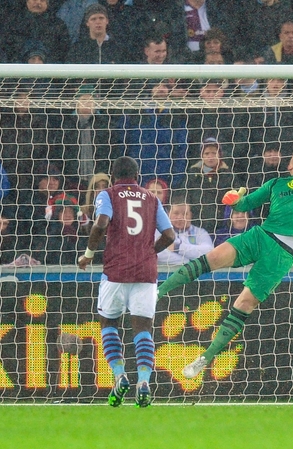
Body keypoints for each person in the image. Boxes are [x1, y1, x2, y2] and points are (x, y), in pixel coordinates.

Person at [156, 85, 293, 379]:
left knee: (244, 303)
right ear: (289, 164)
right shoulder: (275, 185)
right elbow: (245, 203)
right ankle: (156, 293)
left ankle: (204, 359)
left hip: (283, 252)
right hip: (260, 235)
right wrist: (233, 198)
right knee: (213, 257)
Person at [77, 156, 175, 408]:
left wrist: (88, 254)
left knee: (109, 322)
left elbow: (101, 222)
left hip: (116, 270)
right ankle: (144, 382)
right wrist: (149, 252)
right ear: (137, 175)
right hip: (146, 272)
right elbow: (170, 234)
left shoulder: (108, 194)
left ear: (113, 175)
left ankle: (120, 376)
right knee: (143, 327)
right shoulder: (152, 199)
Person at [156, 201, 214, 265]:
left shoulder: (200, 232)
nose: (180, 217)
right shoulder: (160, 232)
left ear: (191, 215)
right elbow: (159, 254)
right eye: (176, 213)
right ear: (167, 214)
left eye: (185, 214)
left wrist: (178, 248)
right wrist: (189, 262)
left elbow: (209, 252)